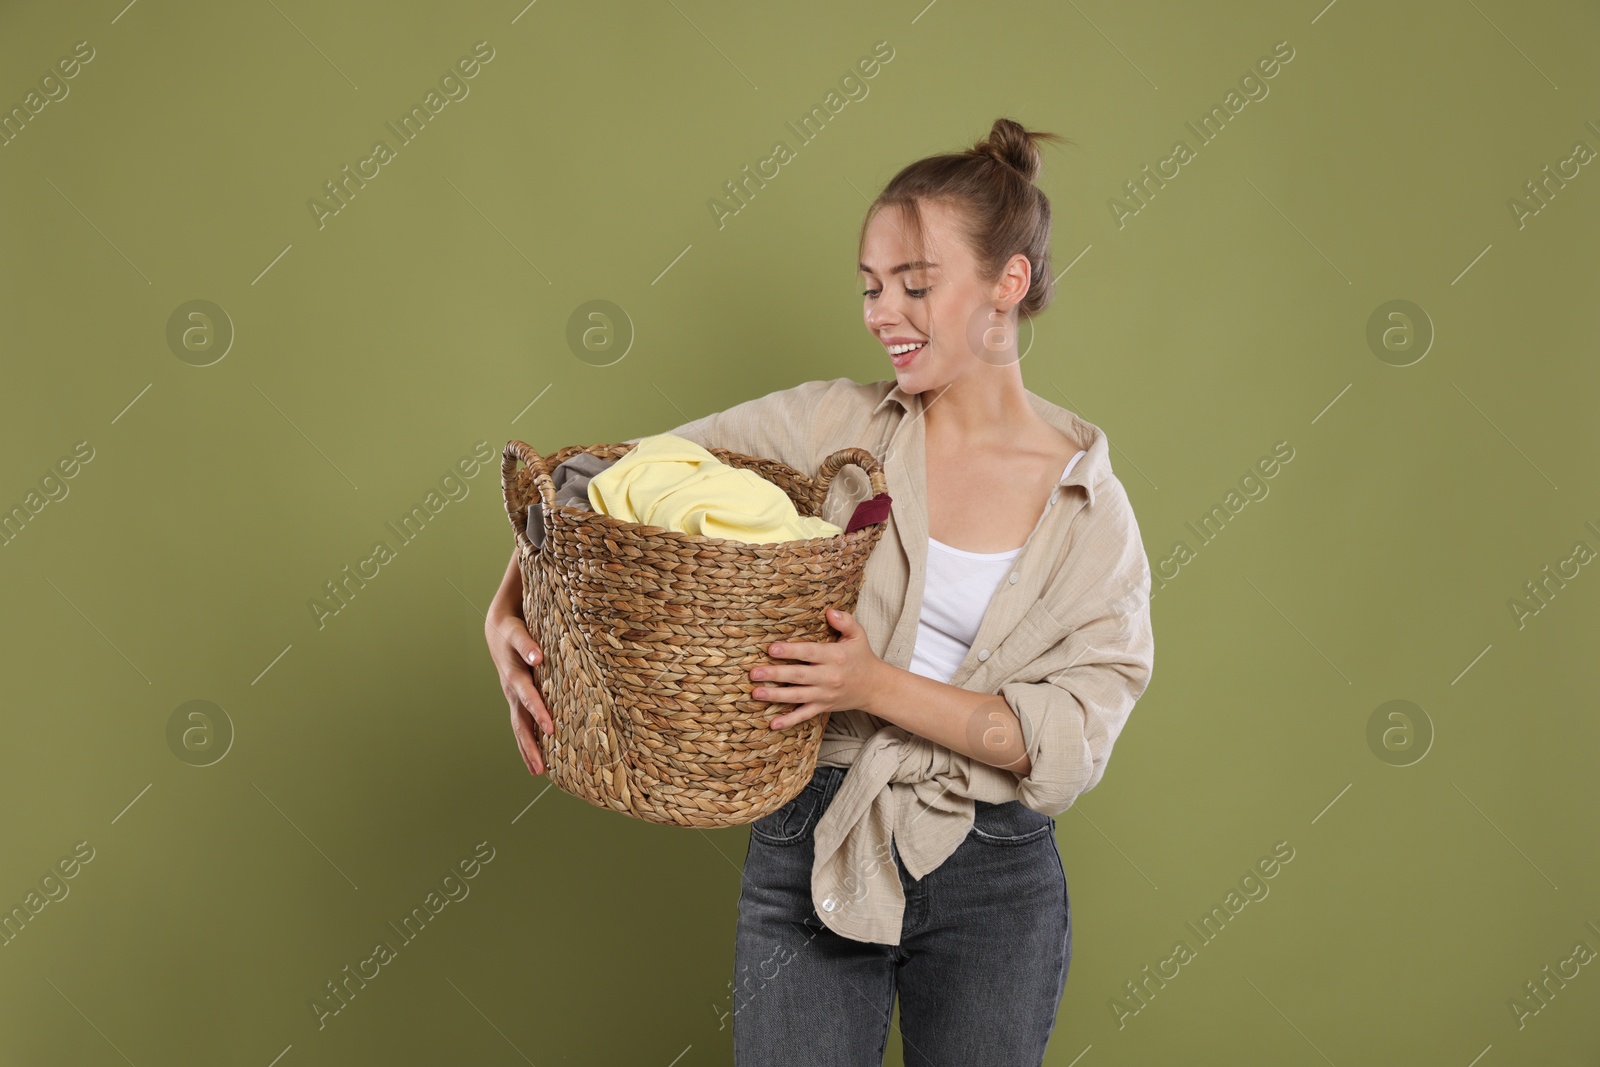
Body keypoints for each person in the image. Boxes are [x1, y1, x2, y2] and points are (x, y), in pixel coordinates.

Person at [483, 117, 1156, 1066]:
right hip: (810, 832)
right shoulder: (831, 425)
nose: (884, 313)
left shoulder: (1091, 509)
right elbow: (615, 481)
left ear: (1008, 283)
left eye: (915, 285)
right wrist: (510, 596)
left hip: (995, 876)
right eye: (872, 288)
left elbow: (1070, 743)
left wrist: (871, 685)